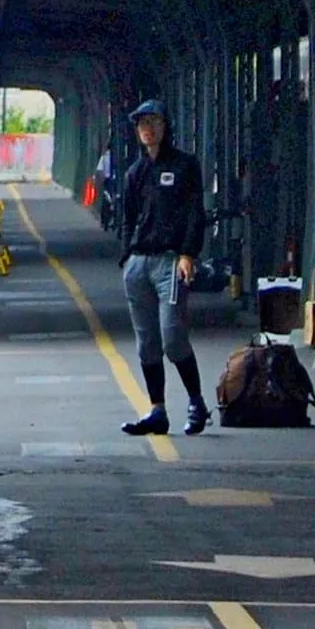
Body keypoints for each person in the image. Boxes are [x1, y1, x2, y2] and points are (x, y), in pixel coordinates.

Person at [117, 99, 213, 437]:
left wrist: (189, 253)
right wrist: (127, 256)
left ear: (165, 125)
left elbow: (194, 212)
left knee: (172, 335)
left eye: (153, 121)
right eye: (142, 123)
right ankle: (157, 410)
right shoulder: (135, 172)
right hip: (138, 263)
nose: (147, 129)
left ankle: (196, 402)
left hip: (171, 261)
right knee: (146, 342)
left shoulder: (185, 165)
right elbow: (126, 218)